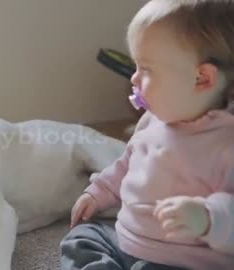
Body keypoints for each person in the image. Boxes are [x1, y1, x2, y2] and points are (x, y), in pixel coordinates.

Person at [60, 1, 234, 269]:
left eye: (146, 69)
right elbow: (126, 164)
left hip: (184, 260)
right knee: (82, 237)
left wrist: (208, 219)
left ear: (202, 79)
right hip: (127, 239)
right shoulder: (152, 120)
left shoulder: (224, 143)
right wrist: (100, 191)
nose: (134, 79)